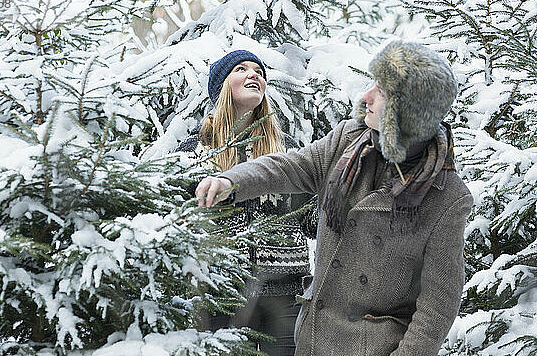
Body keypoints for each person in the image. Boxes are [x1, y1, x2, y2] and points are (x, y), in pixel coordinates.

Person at [194, 41, 473, 356]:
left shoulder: (447, 197)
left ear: (406, 111)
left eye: (380, 92)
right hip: (315, 337)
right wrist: (232, 179)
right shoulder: (347, 141)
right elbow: (290, 166)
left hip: (372, 347)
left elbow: (437, 304)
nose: (364, 97)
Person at [176, 50, 313, 356]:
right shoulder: (194, 152)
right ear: (222, 86)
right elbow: (177, 225)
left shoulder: (287, 151)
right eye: (241, 69)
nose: (254, 75)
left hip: (284, 297)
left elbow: (313, 219)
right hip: (219, 295)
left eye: (259, 72)